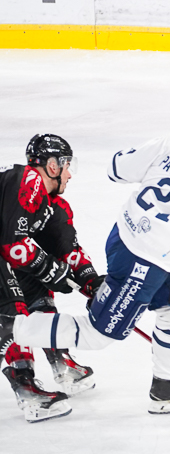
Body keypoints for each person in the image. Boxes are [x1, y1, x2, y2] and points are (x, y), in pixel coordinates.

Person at [6, 107, 170, 415]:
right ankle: (11, 329)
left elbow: (117, 168)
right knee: (98, 334)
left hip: (132, 242)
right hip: (146, 260)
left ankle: (165, 385)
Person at [0, 134, 101, 422]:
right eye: (67, 164)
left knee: (35, 285)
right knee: (11, 313)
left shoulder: (50, 204)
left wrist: (91, 283)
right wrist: (50, 268)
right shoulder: (27, 180)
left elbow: (67, 249)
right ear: (53, 165)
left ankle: (60, 361)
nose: (70, 173)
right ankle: (26, 388)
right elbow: (14, 246)